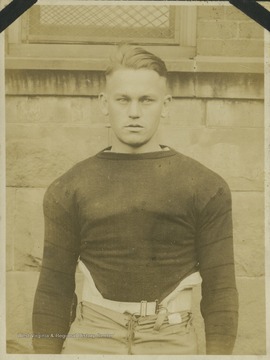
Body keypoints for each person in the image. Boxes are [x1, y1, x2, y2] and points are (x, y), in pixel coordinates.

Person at [32, 45, 239, 355]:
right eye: (122, 99)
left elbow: (221, 288)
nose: (133, 112)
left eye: (146, 100)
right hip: (93, 339)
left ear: (165, 105)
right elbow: (54, 288)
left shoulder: (205, 187)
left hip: (169, 339)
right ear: (104, 103)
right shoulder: (69, 187)